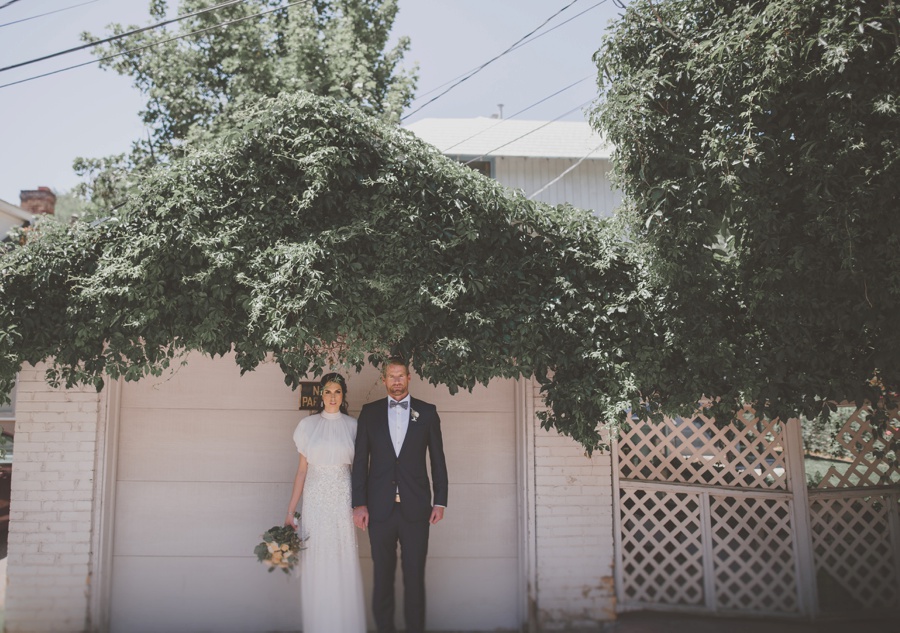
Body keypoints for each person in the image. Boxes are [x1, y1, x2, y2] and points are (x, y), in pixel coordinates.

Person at [351, 358, 449, 633]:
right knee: (382, 577)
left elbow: (438, 460)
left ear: (409, 377)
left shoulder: (427, 413)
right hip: (379, 509)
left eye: (400, 376)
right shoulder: (369, 413)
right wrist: (359, 503)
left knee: (415, 577)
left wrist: (440, 500)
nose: (396, 381)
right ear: (383, 380)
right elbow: (360, 461)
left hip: (416, 509)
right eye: (391, 376)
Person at [285, 373, 366, 633]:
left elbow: (360, 472)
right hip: (315, 498)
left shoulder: (353, 426)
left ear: (343, 395)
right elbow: (301, 471)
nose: (333, 396)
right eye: (328, 391)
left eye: (338, 391)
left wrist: (359, 504)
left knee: (340, 555)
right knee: (317, 556)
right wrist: (290, 511)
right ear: (321, 394)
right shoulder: (307, 426)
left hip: (343, 497)